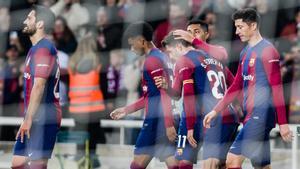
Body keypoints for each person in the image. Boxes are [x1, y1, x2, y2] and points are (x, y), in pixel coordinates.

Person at [203, 8, 293, 169]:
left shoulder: (268, 51)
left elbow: (278, 89)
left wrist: (283, 123)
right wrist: (215, 111)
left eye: (240, 27)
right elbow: (236, 86)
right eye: (236, 27)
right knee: (262, 165)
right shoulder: (245, 52)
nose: (237, 31)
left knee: (232, 160)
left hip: (261, 115)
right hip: (250, 116)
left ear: (253, 26)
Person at [161, 20, 241, 168]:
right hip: (222, 115)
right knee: (218, 163)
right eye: (188, 32)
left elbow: (189, 96)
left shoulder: (191, 58)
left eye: (195, 32)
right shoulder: (214, 60)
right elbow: (234, 83)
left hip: (211, 117)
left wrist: (190, 127)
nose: (191, 35)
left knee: (208, 164)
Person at [110, 21, 178, 169]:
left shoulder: (152, 60)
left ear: (141, 40)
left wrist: (168, 125)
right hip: (165, 118)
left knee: (136, 166)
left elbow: (163, 92)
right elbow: (151, 95)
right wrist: (125, 110)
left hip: (156, 121)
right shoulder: (162, 56)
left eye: (132, 44)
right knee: (174, 165)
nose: (131, 49)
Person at [11, 5, 61, 169]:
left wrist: (28, 119)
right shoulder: (35, 48)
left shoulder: (44, 49)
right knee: (17, 164)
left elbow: (39, 85)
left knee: (37, 166)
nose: (25, 21)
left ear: (40, 24)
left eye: (30, 18)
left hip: (44, 117)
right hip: (33, 116)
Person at [68, 35, 106, 168]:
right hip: (94, 108)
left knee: (80, 136)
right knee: (93, 137)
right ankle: (91, 161)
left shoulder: (72, 63)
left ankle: (80, 161)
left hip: (76, 109)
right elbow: (104, 85)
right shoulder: (97, 62)